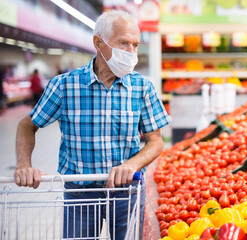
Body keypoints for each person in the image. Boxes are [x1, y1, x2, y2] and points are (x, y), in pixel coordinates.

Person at [14, 10, 170, 239]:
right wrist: (24, 164)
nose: (131, 52)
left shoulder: (142, 87)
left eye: (135, 45)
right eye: (124, 43)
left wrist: (132, 164)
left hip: (127, 192)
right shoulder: (65, 86)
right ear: (99, 43)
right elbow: (27, 125)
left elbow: (156, 141)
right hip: (80, 193)